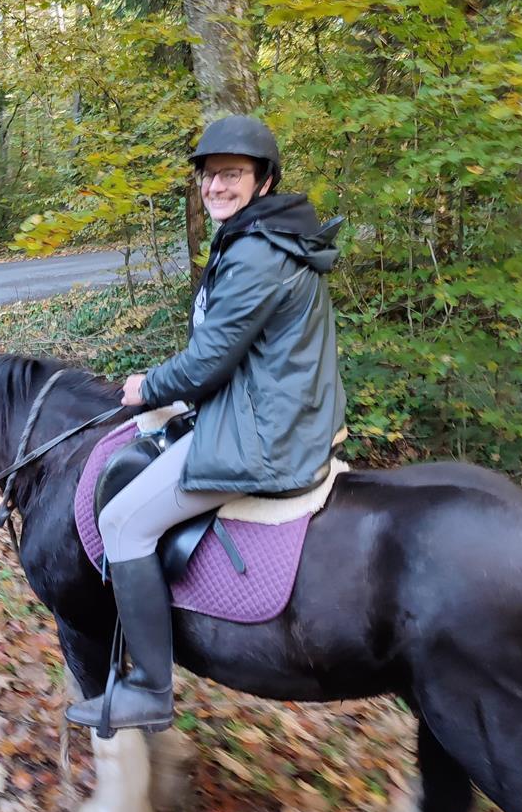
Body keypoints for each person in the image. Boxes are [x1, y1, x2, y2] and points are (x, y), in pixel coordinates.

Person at [66, 114, 347, 733]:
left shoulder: (254, 252)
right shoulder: (271, 237)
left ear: (264, 181)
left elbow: (208, 360)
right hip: (276, 409)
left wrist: (149, 386)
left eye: (232, 175)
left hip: (264, 437)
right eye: (209, 175)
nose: (217, 186)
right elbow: (234, 353)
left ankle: (150, 688)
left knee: (122, 522)